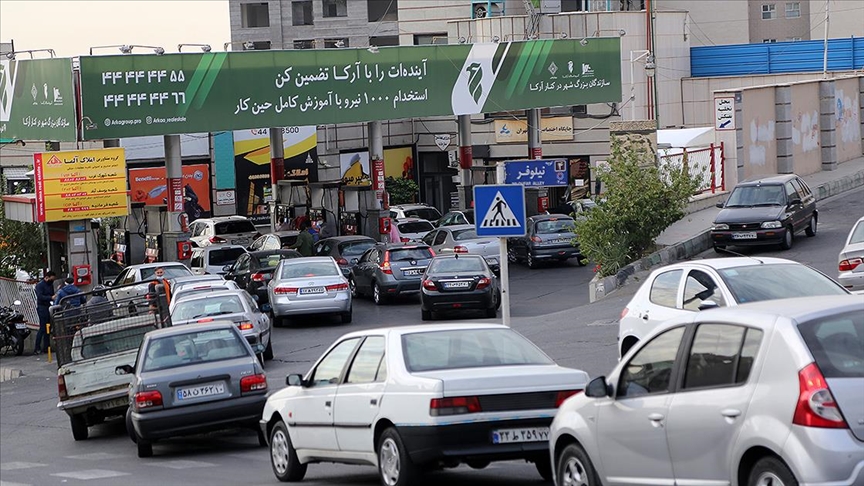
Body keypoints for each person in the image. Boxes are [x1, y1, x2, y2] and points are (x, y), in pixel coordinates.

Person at [33, 270, 57, 355]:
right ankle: (37, 347)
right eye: (51, 279)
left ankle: (46, 347)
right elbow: (40, 296)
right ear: (47, 277)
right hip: (42, 307)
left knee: (48, 327)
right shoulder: (40, 285)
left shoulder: (50, 285)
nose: (52, 281)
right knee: (43, 328)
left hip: (48, 306)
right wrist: (51, 297)